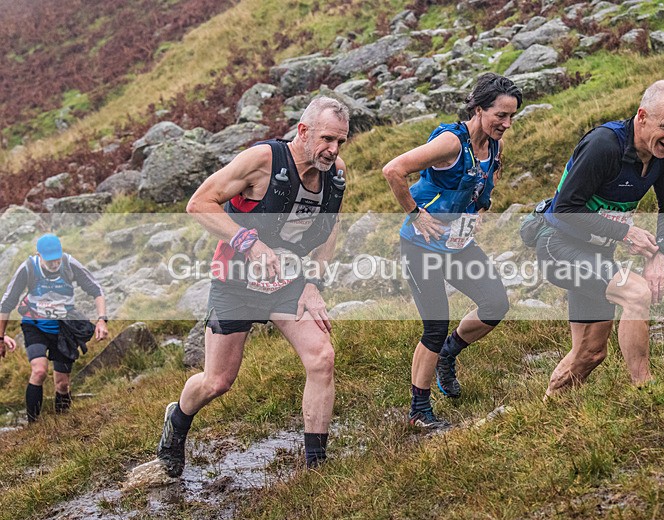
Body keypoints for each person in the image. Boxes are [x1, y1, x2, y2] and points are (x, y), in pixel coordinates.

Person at [156, 96, 349, 476]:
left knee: (321, 358)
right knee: (218, 381)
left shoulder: (336, 172)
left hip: (289, 281)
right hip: (237, 282)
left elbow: (332, 229)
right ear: (303, 131)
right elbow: (200, 203)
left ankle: (315, 466)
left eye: (341, 141)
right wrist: (249, 242)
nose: (333, 150)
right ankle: (177, 421)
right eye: (327, 139)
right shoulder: (262, 160)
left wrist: (313, 282)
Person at [383, 73, 521, 429]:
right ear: (477, 109)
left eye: (511, 117)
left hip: (458, 245)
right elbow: (393, 170)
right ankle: (418, 411)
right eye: (500, 115)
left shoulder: (493, 146)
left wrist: (477, 212)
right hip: (421, 245)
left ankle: (449, 354)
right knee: (434, 324)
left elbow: (486, 182)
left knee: (495, 304)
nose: (506, 124)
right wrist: (416, 214)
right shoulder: (450, 143)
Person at [536, 80, 664, 397]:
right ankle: (647, 392)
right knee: (636, 293)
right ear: (642, 116)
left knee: (591, 353)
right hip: (559, 246)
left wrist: (661, 255)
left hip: (596, 254)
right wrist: (625, 232)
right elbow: (565, 208)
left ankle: (550, 405)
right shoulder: (604, 146)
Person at [0, 233, 108, 422]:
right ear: (38, 255)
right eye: (50, 260)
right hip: (35, 326)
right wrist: (1, 338)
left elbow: (96, 290)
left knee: (63, 384)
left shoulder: (69, 264)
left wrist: (101, 320)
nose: (54, 263)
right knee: (39, 371)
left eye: (56, 258)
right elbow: (7, 303)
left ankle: (62, 423)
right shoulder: (28, 268)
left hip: (63, 328)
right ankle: (33, 425)